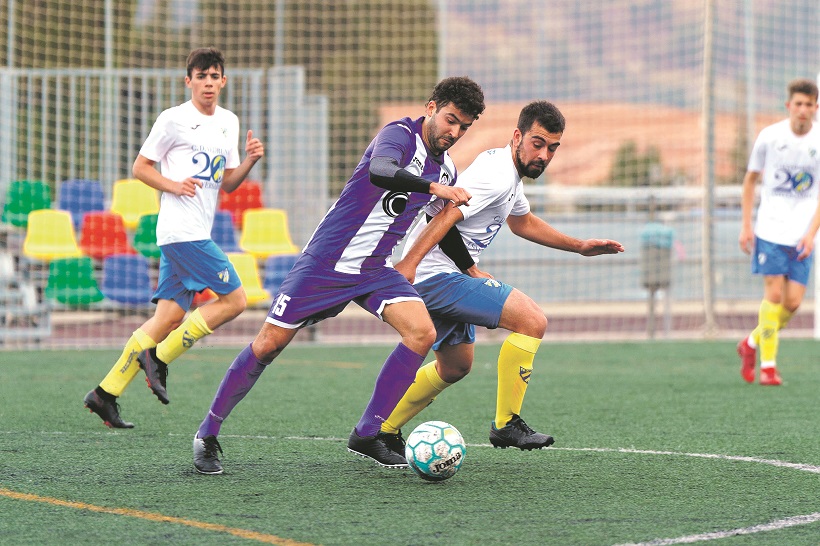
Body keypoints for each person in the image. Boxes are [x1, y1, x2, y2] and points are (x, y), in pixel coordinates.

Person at [191, 76, 486, 474]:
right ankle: (207, 434)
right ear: (432, 108)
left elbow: (441, 226)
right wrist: (433, 185)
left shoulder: (447, 170)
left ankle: (367, 433)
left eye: (464, 127)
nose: (454, 132)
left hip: (374, 271)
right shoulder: (399, 133)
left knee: (422, 332)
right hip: (326, 263)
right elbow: (382, 171)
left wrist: (470, 268)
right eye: (451, 120)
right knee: (267, 345)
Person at [379, 100, 624, 452]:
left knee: (455, 366)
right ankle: (507, 424)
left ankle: (382, 430)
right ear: (517, 136)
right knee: (532, 320)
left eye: (552, 148)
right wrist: (411, 264)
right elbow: (446, 214)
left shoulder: (508, 173)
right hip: (436, 277)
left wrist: (580, 245)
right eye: (537, 143)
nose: (544, 154)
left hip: (442, 274)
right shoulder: (496, 174)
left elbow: (522, 222)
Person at [83, 47, 265, 427]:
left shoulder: (228, 122)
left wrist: (249, 160)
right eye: (201, 76)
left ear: (223, 81)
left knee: (168, 316)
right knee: (236, 301)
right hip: (180, 233)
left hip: (193, 232)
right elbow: (140, 167)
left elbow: (227, 184)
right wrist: (172, 185)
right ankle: (159, 358)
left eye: (215, 76)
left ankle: (105, 393)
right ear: (189, 81)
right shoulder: (173, 119)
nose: (209, 83)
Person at [737, 78, 820, 386]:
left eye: (808, 105)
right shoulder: (770, 137)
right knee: (773, 295)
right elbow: (750, 182)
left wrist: (811, 234)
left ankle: (751, 343)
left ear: (816, 108)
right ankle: (768, 367)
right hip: (770, 230)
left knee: (793, 303)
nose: (802, 110)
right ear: (789, 106)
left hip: (802, 235)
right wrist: (747, 225)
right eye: (797, 104)